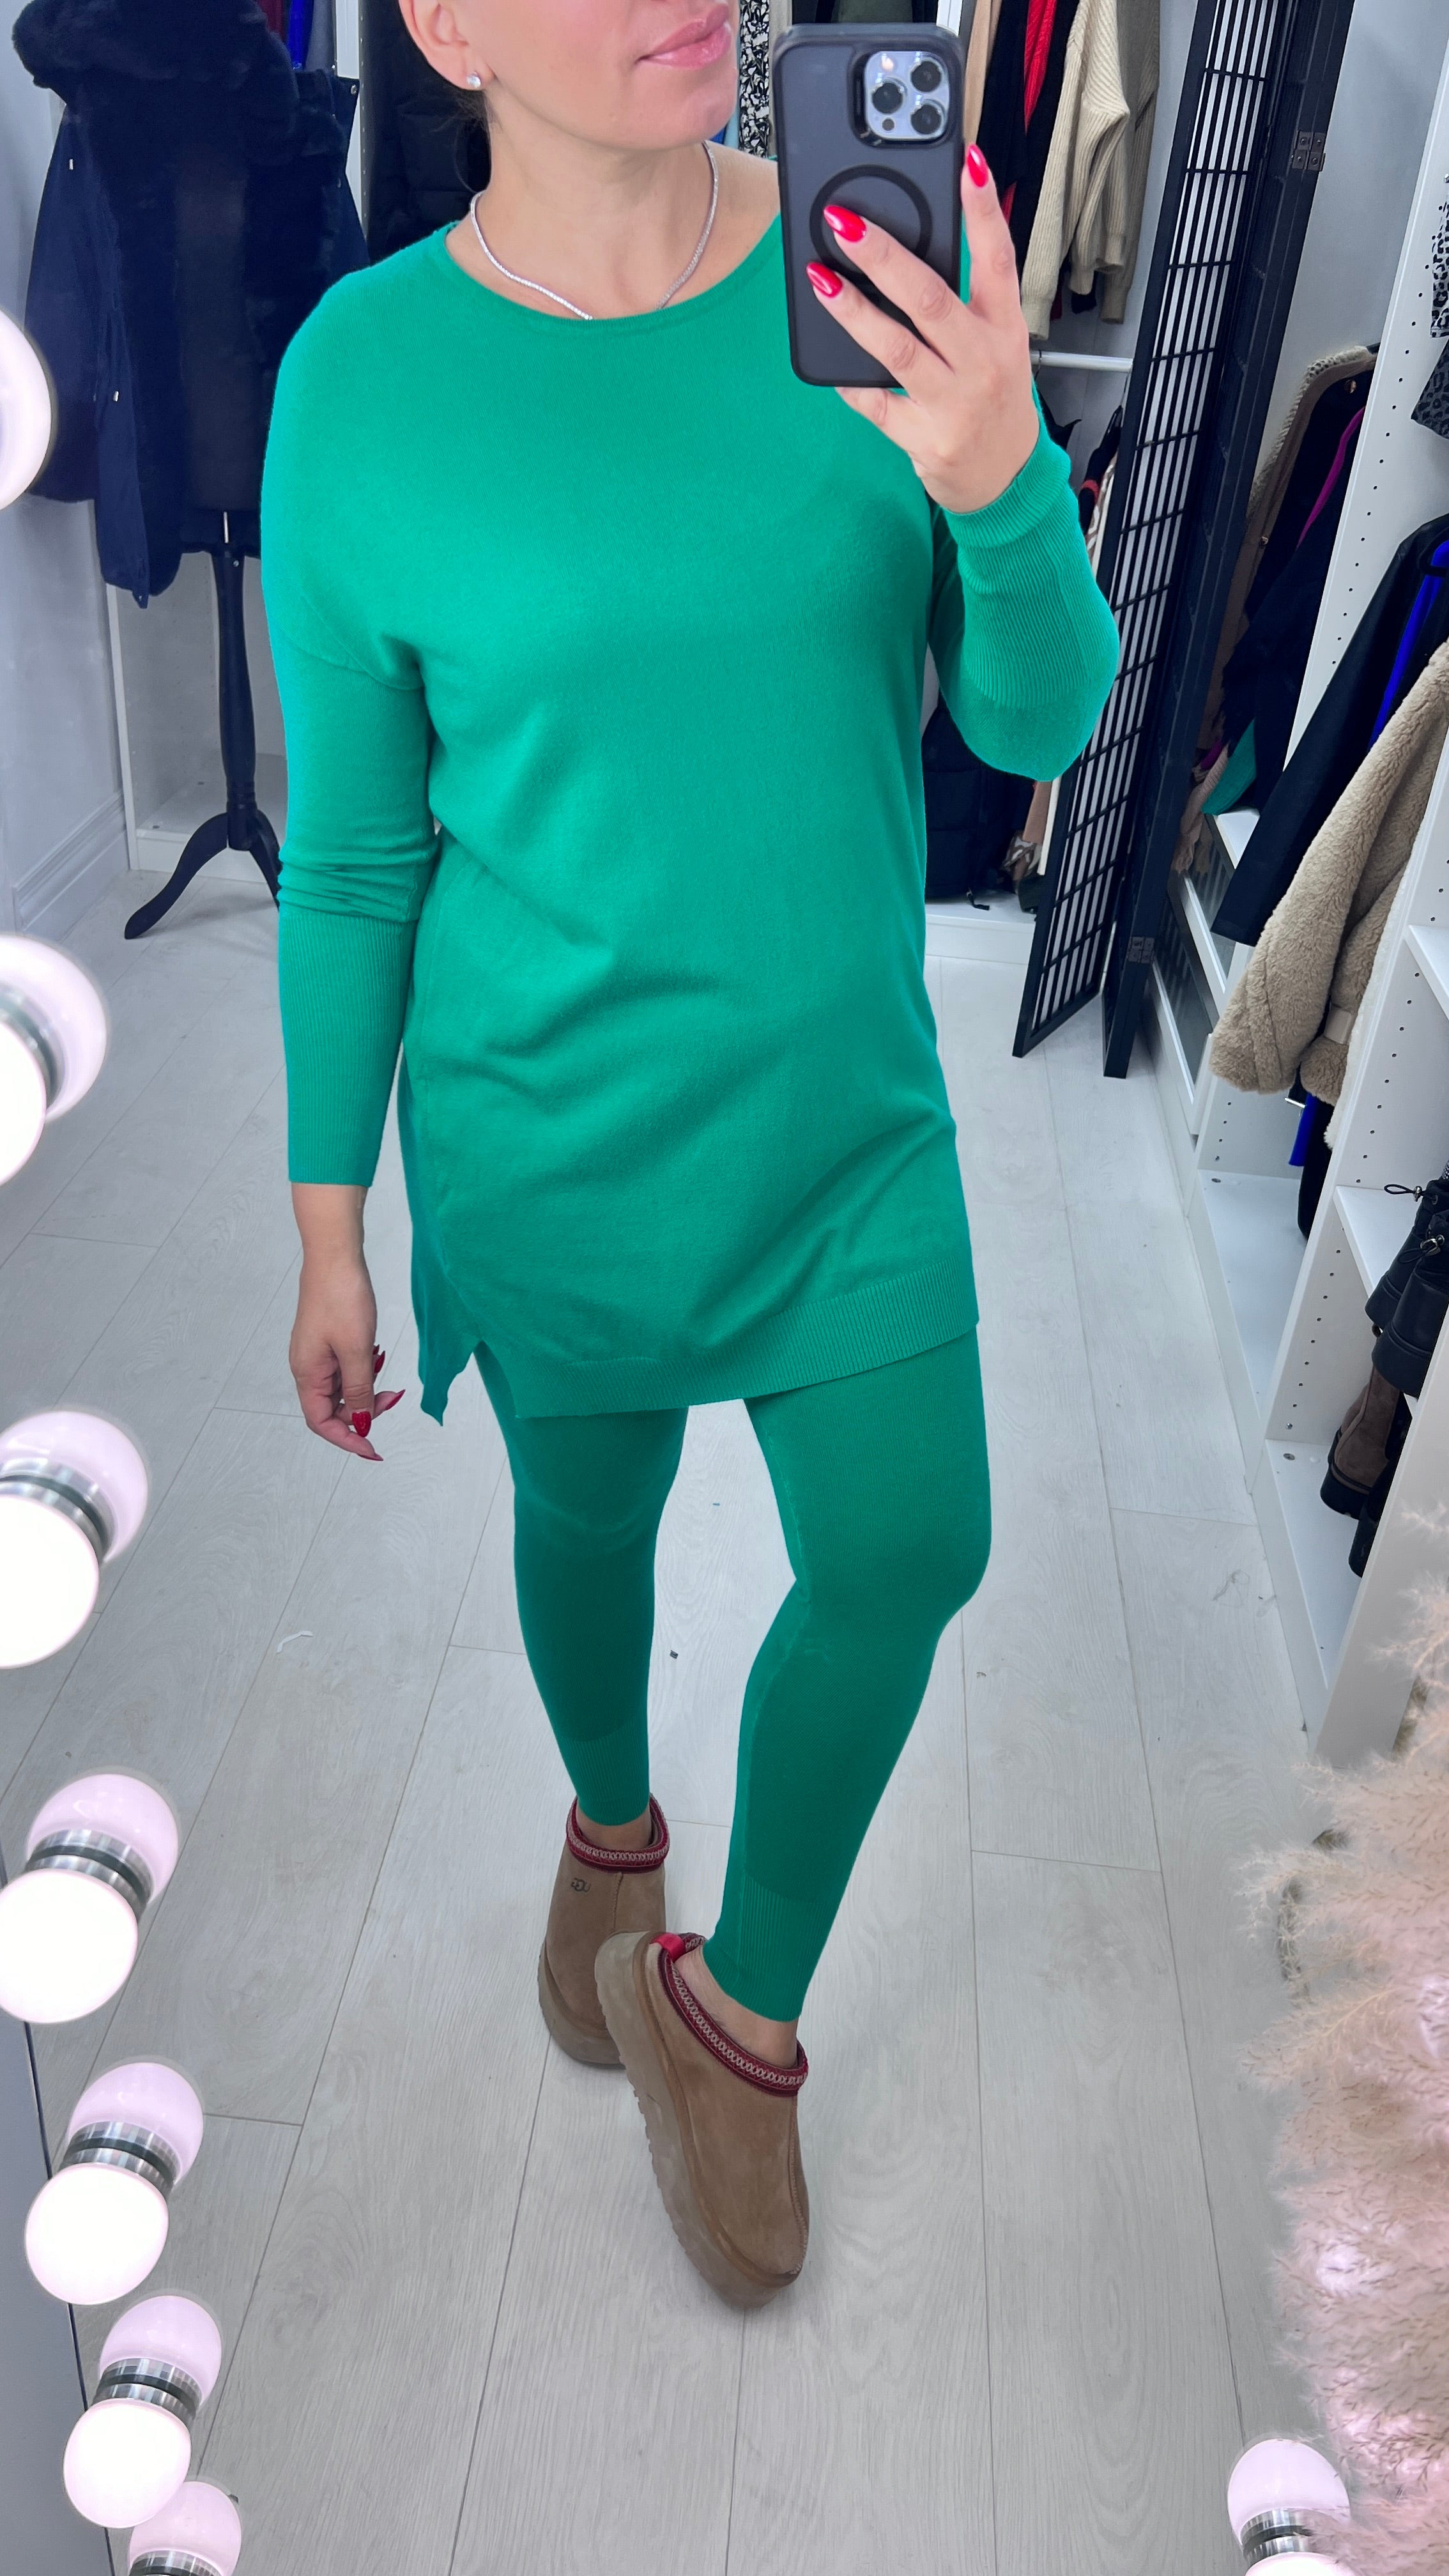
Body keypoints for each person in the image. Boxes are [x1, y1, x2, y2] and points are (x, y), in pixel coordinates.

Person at [263, 0, 1118, 2310]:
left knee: (909, 1547)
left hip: (841, 1126)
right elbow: (352, 858)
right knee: (588, 1517)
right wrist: (330, 1228)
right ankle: (611, 1831)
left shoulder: (875, 271)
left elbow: (1032, 722)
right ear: (443, 24)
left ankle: (731, 2022)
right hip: (545, 1134)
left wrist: (992, 473)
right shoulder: (362, 379)